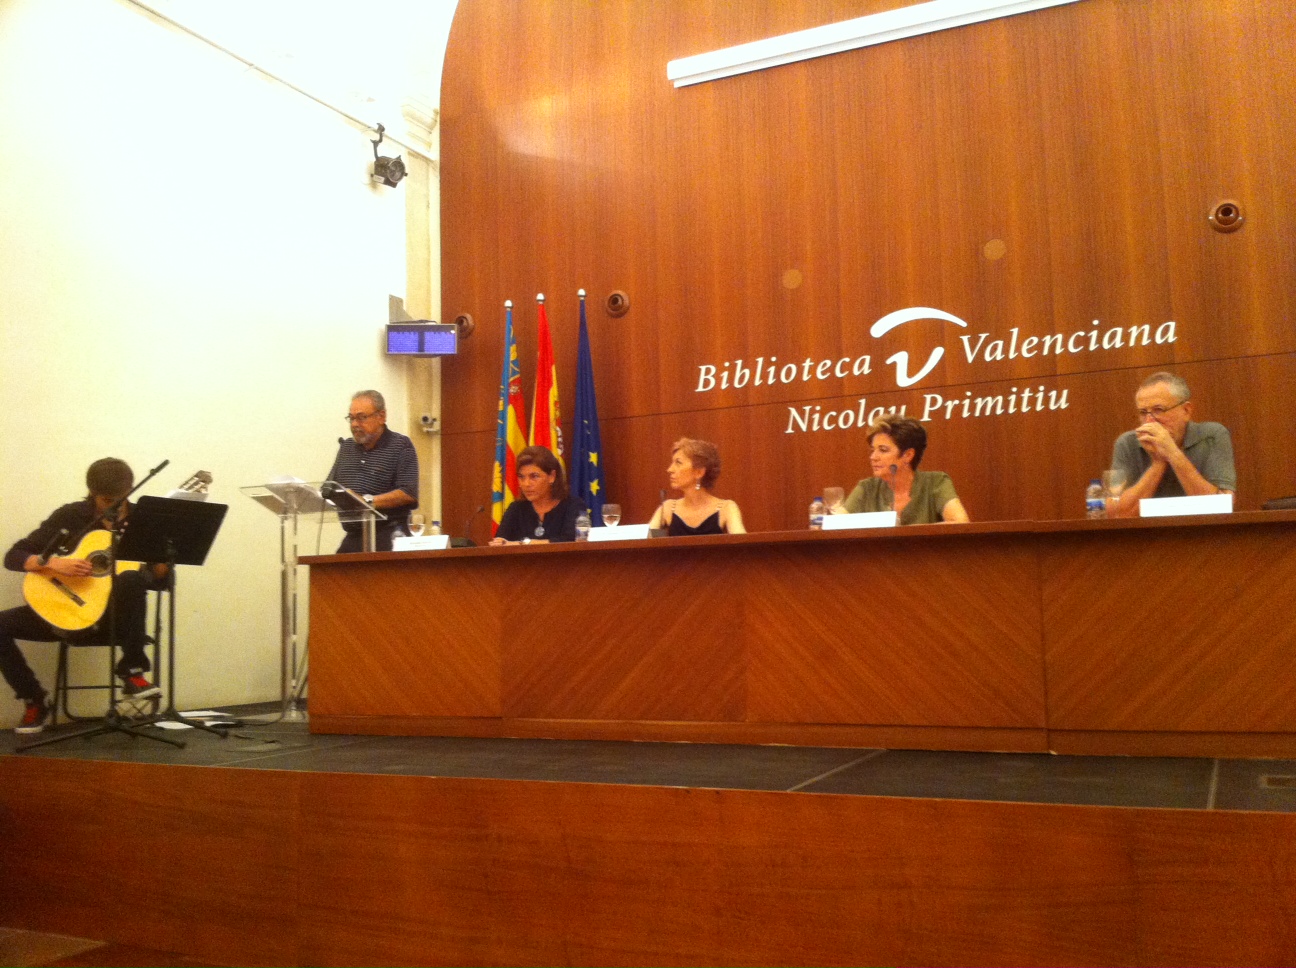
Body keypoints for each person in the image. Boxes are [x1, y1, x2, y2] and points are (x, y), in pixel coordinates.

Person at [2, 458, 166, 735]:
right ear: (92, 492)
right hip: (65, 613)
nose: (114, 506)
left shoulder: (143, 521)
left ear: (129, 489)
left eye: (120, 498)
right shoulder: (71, 516)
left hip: (116, 622)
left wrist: (162, 563)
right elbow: (14, 556)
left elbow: (160, 580)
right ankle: (34, 699)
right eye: (106, 500)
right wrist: (53, 563)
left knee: (131, 578)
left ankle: (132, 671)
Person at [1107, 372, 1236, 518]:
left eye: (1158, 410)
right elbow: (1119, 514)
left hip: (1203, 530)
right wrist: (1158, 462)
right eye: (1143, 412)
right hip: (1147, 531)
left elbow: (1221, 507)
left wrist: (1172, 453)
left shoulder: (1212, 435)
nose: (1149, 421)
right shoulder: (1127, 443)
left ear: (1186, 411)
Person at [327, 390, 420, 553]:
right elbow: (330, 488)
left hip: (390, 536)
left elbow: (409, 492)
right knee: (332, 568)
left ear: (381, 416)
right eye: (351, 418)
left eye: (361, 417)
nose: (355, 424)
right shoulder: (347, 448)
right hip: (354, 537)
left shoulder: (400, 445)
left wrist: (366, 502)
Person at [842, 415, 970, 524]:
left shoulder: (935, 482)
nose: (873, 457)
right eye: (873, 450)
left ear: (908, 455)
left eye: (883, 450)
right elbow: (836, 528)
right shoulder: (866, 488)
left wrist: (905, 533)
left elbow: (960, 523)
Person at [647, 438, 746, 536]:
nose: (670, 469)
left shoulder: (726, 508)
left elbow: (742, 543)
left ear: (699, 472)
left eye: (678, 463)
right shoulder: (667, 508)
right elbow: (644, 541)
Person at [491, 446, 581, 544]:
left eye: (534, 476)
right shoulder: (516, 509)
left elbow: (572, 541)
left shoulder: (573, 506)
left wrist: (524, 543)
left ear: (552, 476)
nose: (526, 484)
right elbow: (500, 544)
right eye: (521, 477)